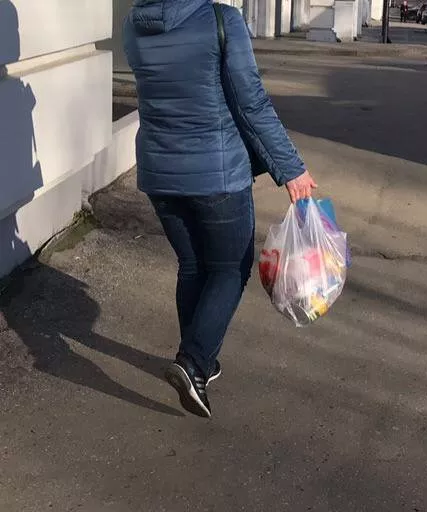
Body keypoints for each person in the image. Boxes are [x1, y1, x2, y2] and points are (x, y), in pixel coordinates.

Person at [123, 0, 317, 419]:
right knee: (231, 268)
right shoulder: (221, 20)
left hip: (159, 173)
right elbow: (251, 103)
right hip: (216, 174)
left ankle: (199, 361)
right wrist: (291, 169)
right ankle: (194, 362)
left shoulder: (135, 24)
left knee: (193, 264)